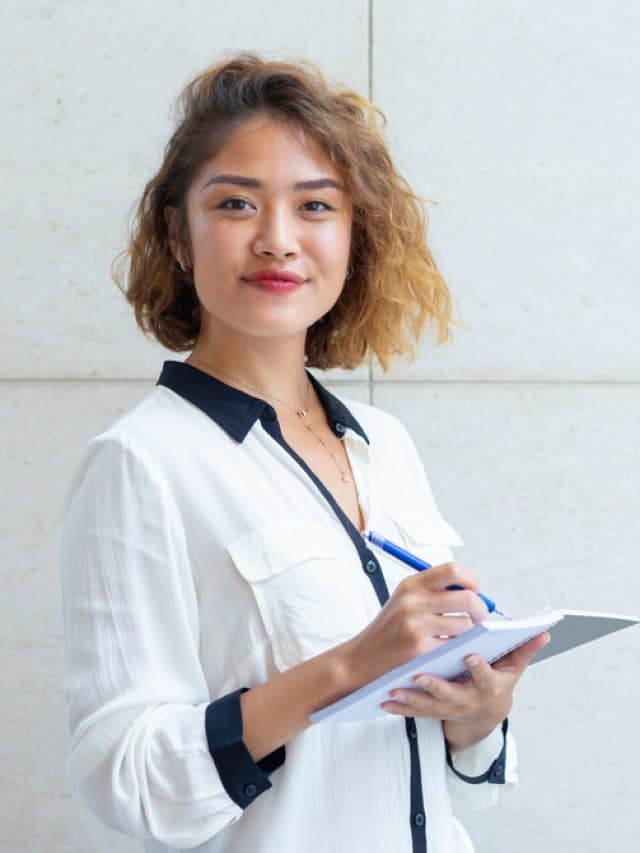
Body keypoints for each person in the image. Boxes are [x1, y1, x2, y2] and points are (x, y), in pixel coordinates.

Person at [59, 52, 549, 853]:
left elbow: (447, 769)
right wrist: (351, 663)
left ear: (355, 237)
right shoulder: (140, 461)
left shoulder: (384, 442)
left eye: (315, 206)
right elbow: (126, 774)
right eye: (237, 203)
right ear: (179, 237)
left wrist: (478, 716)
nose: (278, 240)